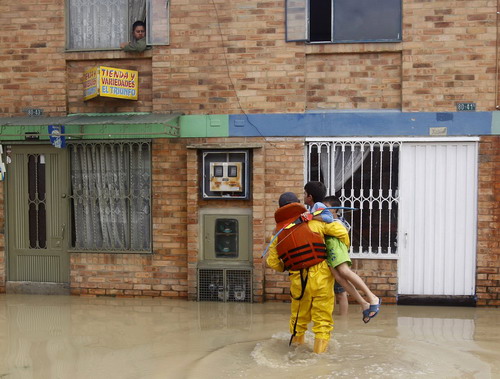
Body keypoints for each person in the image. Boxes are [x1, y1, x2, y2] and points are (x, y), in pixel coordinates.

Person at [266, 192, 350, 354]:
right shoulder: (315, 223)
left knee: (298, 319)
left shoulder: (277, 234)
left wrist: (286, 267)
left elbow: (273, 262)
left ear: (280, 208)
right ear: (298, 204)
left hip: (298, 280)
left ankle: (296, 348)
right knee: (322, 321)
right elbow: (342, 232)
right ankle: (319, 358)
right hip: (322, 277)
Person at [304, 182, 381, 324]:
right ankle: (363, 303)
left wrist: (311, 217)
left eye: (328, 209)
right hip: (328, 250)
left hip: (335, 246)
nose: (325, 211)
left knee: (344, 272)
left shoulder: (326, 213)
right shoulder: (315, 210)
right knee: (339, 278)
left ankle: (372, 297)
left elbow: (328, 221)